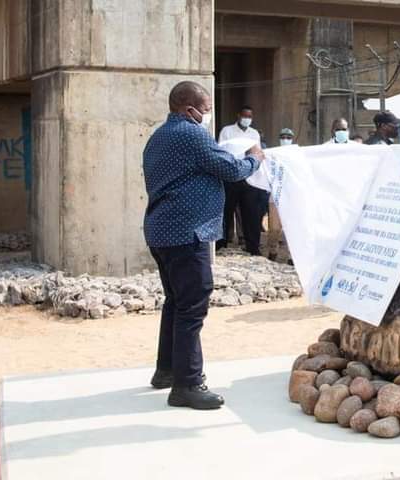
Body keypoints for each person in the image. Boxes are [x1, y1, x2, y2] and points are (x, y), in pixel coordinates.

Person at [143, 81, 263, 410]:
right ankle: (188, 384)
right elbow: (231, 169)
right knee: (192, 306)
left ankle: (167, 371)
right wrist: (255, 158)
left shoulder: (158, 137)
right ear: (189, 109)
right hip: (187, 233)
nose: (208, 115)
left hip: (161, 231)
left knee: (176, 302)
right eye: (206, 109)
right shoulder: (192, 134)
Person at [217, 106, 264, 255]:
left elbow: (256, 152)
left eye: (250, 116)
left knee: (251, 213)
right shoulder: (227, 131)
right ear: (238, 115)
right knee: (226, 211)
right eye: (245, 116)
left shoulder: (254, 133)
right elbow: (222, 150)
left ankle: (252, 246)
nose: (247, 119)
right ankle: (220, 243)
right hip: (230, 175)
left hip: (249, 177)